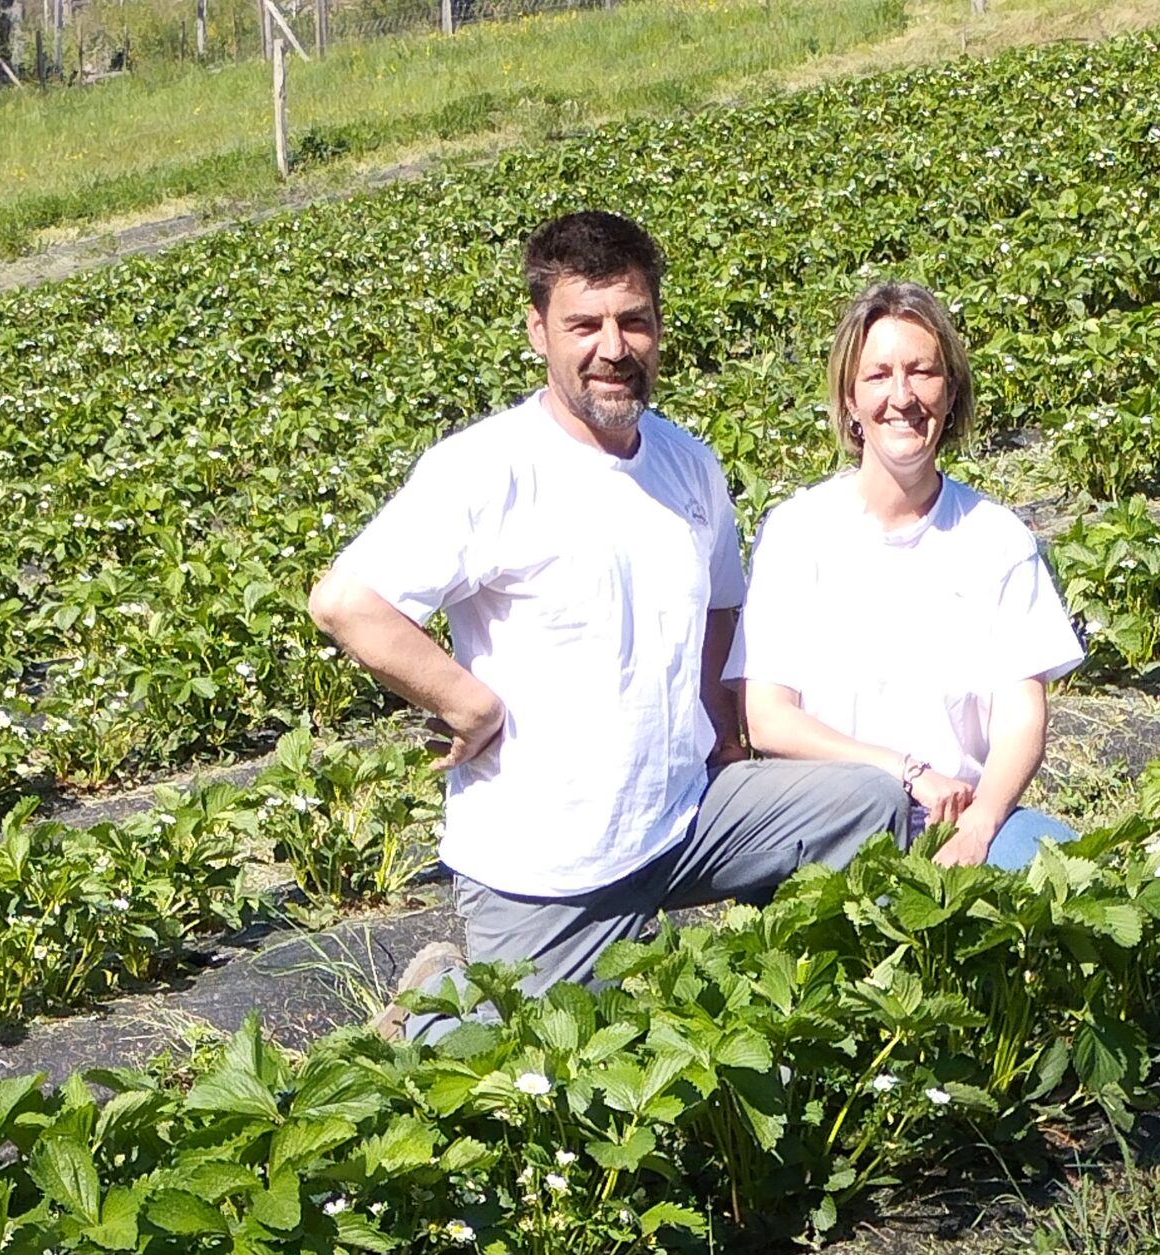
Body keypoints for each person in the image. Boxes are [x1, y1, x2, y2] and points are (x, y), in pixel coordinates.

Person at [307, 210, 908, 1024]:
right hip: (555, 863)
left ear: (659, 328)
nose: (613, 347)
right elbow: (348, 602)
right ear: (537, 332)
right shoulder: (487, 470)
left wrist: (722, 728)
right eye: (583, 324)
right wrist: (468, 704)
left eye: (634, 321)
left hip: (687, 818)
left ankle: (819, 1009)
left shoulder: (686, 464)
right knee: (529, 1075)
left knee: (869, 804)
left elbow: (723, 601)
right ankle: (435, 1007)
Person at [735, 279, 1085, 871]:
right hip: (832, 820)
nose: (902, 396)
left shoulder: (994, 537)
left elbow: (1023, 712)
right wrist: (903, 770)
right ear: (850, 400)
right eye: (878, 376)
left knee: (1073, 878)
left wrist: (981, 823)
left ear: (950, 395)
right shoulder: (798, 532)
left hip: (961, 813)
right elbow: (768, 719)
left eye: (922, 372)